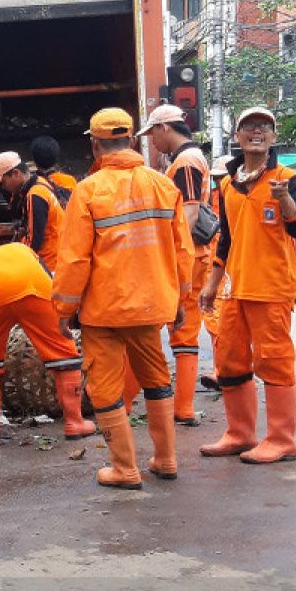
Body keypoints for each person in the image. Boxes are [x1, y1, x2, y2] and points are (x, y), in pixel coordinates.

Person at [52, 108, 193, 489]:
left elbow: (75, 258)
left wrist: (64, 308)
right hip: (151, 306)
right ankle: (165, 460)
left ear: (96, 144)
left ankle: (125, 469)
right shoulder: (164, 186)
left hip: (105, 311)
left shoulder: (89, 190)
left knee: (105, 388)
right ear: (132, 141)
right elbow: (183, 250)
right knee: (157, 379)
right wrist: (180, 299)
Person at [199, 107, 296, 464]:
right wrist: (212, 283)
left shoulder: (287, 178)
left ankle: (281, 440)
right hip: (235, 288)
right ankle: (240, 433)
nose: (257, 131)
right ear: (237, 136)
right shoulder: (228, 184)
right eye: (249, 126)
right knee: (229, 361)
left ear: (274, 138)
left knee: (274, 362)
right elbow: (226, 239)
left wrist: (286, 201)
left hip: (272, 287)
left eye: (264, 127)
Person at [135, 104, 212, 425]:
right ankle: (182, 407)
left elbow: (190, 213)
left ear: (165, 127)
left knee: (167, 330)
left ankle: (177, 407)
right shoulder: (189, 159)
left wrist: (165, 254)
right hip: (194, 255)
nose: (152, 141)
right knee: (184, 331)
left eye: (152, 133)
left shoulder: (186, 162)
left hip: (186, 257)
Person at [0, 242, 95, 440]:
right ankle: (74, 422)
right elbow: (49, 277)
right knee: (64, 353)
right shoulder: (24, 250)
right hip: (35, 288)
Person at [0, 150, 63, 272]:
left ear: (16, 173)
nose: (3, 188)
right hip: (55, 258)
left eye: (3, 183)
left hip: (49, 264)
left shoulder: (35, 195)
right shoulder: (41, 182)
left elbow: (33, 242)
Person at [201, 155, 234, 391]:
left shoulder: (236, 197)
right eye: (217, 179)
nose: (219, 183)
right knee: (214, 321)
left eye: (223, 178)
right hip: (214, 267)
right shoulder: (214, 199)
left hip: (228, 268)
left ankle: (226, 370)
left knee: (222, 320)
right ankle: (222, 369)